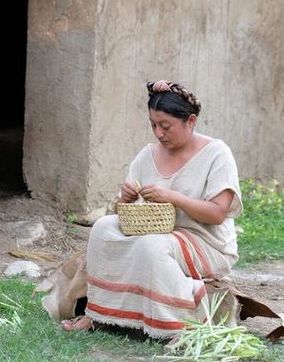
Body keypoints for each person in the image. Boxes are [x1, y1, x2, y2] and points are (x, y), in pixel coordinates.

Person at [61, 79, 242, 338]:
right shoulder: (148, 154)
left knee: (152, 245)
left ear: (190, 121)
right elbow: (129, 214)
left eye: (165, 126)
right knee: (103, 228)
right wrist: (125, 200)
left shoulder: (216, 154)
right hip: (158, 234)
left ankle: (176, 325)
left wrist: (173, 197)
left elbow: (217, 213)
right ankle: (100, 315)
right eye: (153, 125)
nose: (158, 133)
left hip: (207, 243)